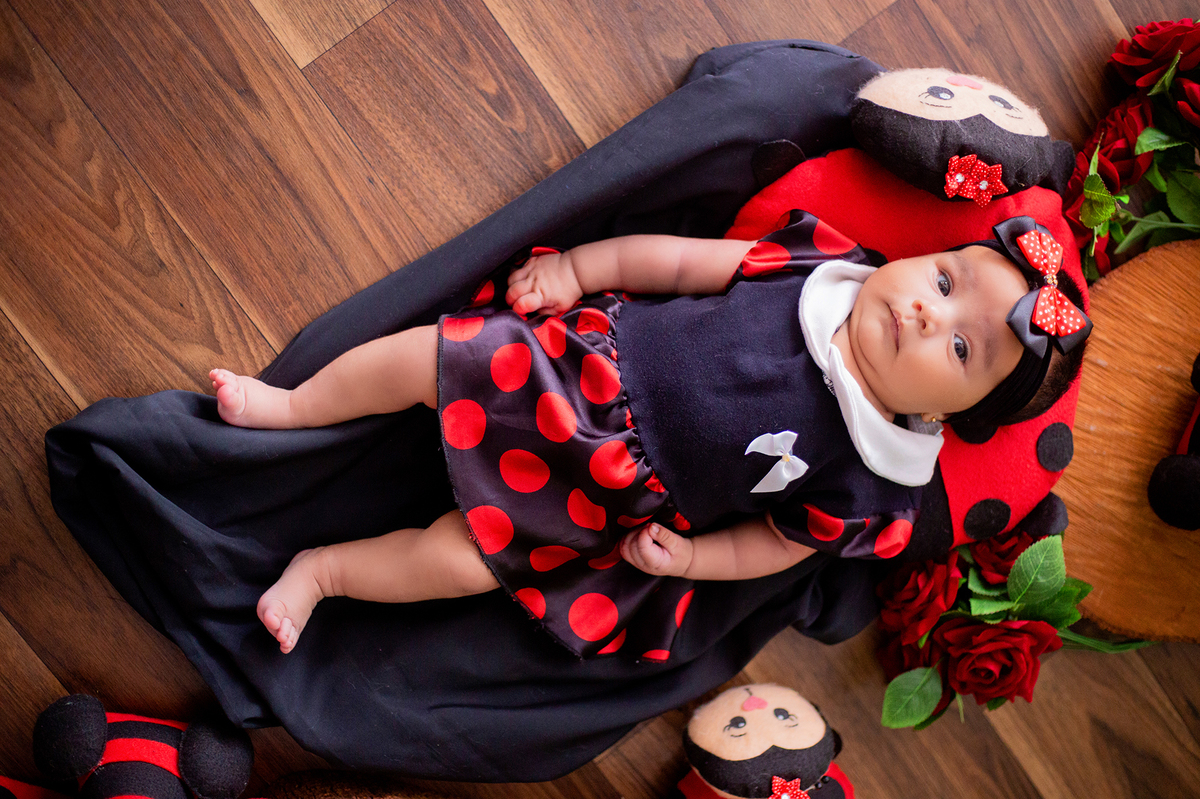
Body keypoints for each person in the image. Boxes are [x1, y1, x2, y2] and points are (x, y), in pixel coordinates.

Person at [208, 211, 1090, 656]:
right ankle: (291, 404)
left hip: (604, 491)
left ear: (948, 416)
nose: (926, 316)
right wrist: (576, 270)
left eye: (964, 347)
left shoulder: (875, 482)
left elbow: (775, 547)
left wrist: (690, 562)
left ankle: (324, 573)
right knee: (416, 364)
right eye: (942, 281)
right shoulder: (818, 269)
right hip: (568, 364)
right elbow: (677, 260)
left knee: (459, 563)